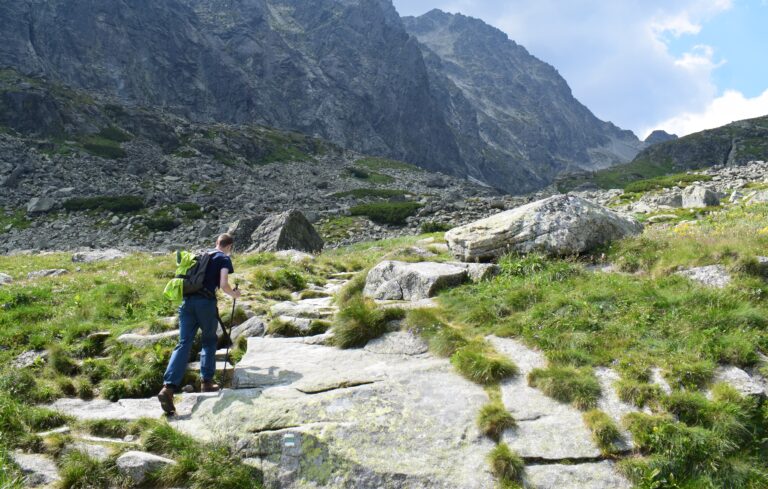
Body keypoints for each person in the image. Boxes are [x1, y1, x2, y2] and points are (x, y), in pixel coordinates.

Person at [157, 233, 242, 414]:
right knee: (209, 340)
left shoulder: (200, 256)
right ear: (229, 246)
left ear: (216, 243)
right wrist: (234, 294)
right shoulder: (223, 258)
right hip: (205, 303)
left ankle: (168, 387)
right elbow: (224, 283)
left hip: (186, 303)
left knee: (183, 343)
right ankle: (207, 382)